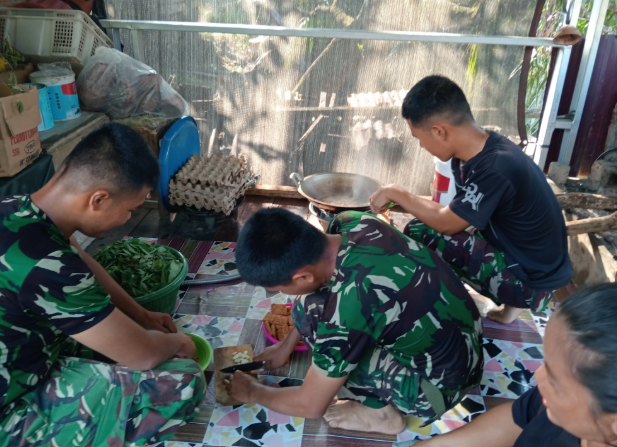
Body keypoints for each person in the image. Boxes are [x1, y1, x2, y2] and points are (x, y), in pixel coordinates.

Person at [0, 123, 205, 447]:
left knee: (122, 340)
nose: (128, 219)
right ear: (98, 199)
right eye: (130, 210)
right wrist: (177, 342)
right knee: (181, 380)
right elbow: (142, 356)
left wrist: (141, 315)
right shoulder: (51, 265)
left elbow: (80, 257)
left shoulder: (16, 207)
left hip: (21, 354)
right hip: (10, 406)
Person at [226, 208, 483, 435]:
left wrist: (252, 391)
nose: (279, 293)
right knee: (309, 307)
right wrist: (285, 347)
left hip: (436, 390)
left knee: (317, 320)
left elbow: (311, 405)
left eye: (278, 288)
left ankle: (380, 415)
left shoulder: (348, 307)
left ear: (302, 277)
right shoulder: (353, 221)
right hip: (465, 346)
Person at [370, 75, 572, 324]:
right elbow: (453, 213)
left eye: (418, 138)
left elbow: (446, 224)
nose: (421, 146)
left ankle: (438, 309)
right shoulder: (478, 152)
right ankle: (509, 309)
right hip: (533, 266)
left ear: (439, 131)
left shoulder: (496, 167)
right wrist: (397, 201)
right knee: (430, 226)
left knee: (422, 233)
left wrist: (395, 192)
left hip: (532, 285)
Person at [412, 283, 617, 447]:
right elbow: (518, 418)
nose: (537, 376)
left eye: (555, 383)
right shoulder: (561, 407)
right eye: (546, 364)